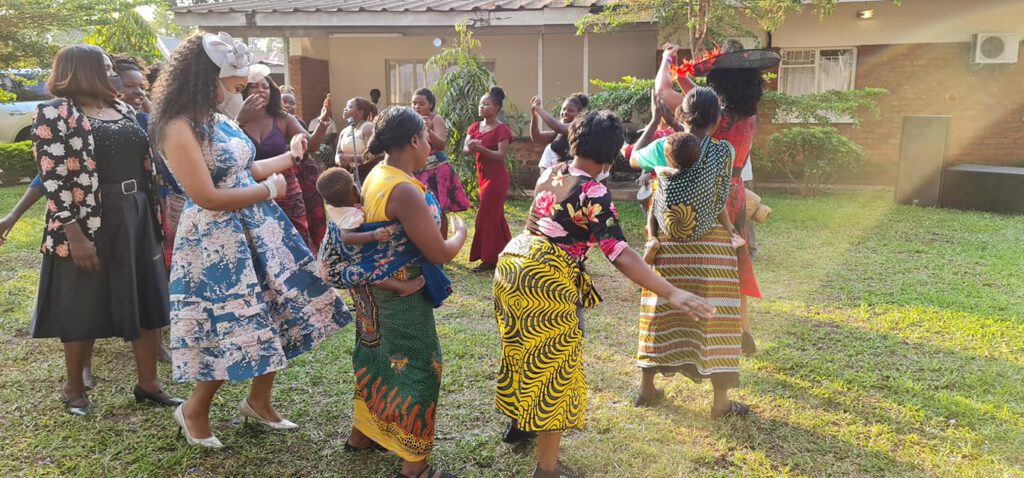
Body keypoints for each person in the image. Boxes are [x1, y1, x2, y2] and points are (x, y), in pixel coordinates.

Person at [151, 32, 351, 448]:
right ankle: (193, 410)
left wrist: (294, 155)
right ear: (208, 78)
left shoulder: (218, 120)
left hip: (257, 231)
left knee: (273, 315)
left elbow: (248, 168)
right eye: (236, 86)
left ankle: (259, 402)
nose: (239, 95)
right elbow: (206, 195)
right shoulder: (176, 127)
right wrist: (269, 192)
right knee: (230, 326)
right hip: (217, 244)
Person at [493, 110, 715, 478]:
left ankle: (520, 423)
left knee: (521, 350)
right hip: (546, 278)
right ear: (611, 157)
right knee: (554, 371)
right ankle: (547, 470)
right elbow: (619, 253)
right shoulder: (594, 190)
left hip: (512, 265)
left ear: (574, 141)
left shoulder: (551, 172)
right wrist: (670, 291)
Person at [28, 44, 182, 416]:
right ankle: (74, 388)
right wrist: (74, 235)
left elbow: (149, 164)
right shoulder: (54, 113)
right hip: (85, 221)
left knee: (147, 297)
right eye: (106, 67)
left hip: (136, 213)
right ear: (82, 70)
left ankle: (148, 384)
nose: (113, 74)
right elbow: (54, 178)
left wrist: (159, 209)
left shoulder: (123, 109)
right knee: (82, 303)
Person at [339, 107, 468, 478]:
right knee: (421, 371)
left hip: (372, 292)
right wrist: (460, 232)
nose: (430, 144)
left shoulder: (378, 174)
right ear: (413, 140)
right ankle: (415, 468)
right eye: (426, 137)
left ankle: (362, 435)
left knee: (373, 357)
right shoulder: (403, 190)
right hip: (401, 296)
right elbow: (438, 251)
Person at [630, 87, 749, 418]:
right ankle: (720, 403)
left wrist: (655, 119)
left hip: (668, 245)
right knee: (716, 317)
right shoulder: (723, 150)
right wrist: (732, 234)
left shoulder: (662, 147)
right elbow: (721, 197)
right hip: (711, 247)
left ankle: (646, 389)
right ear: (716, 120)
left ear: (682, 114)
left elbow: (633, 158)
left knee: (659, 311)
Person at [655, 43, 780, 356]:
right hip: (735, 191)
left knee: (704, 259)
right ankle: (742, 329)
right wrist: (685, 75)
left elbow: (663, 92)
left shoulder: (715, 117)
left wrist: (666, 62)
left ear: (720, 83)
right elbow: (694, 95)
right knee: (735, 261)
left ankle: (700, 329)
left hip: (706, 189)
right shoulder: (747, 117)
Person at [238, 66, 316, 251]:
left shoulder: (283, 119)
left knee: (296, 243)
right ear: (243, 92)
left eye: (264, 86)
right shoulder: (234, 122)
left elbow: (311, 145)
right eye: (253, 87)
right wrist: (239, 120)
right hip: (252, 192)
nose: (259, 91)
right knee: (263, 247)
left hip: (285, 190)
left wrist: (301, 139)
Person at [316, 167, 426, 296]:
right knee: (367, 269)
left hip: (328, 260)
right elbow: (346, 237)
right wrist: (373, 235)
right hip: (335, 273)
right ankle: (400, 287)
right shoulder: (349, 218)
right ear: (354, 190)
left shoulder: (336, 206)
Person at [640, 132, 743, 263]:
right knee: (717, 199)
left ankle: (652, 238)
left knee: (653, 207)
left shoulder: (664, 176)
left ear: (669, 160)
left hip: (670, 227)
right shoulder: (702, 178)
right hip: (697, 226)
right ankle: (732, 234)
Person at [463, 86, 513, 272]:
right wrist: (472, 147)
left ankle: (488, 259)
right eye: (480, 103)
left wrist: (480, 148)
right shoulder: (475, 127)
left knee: (486, 216)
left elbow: (500, 155)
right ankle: (506, 252)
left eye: (486, 104)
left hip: (497, 179)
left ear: (496, 107)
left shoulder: (502, 129)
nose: (481, 106)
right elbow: (465, 150)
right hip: (483, 178)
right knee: (496, 216)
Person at [410, 88, 470, 238]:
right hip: (416, 171)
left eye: (421, 103)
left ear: (430, 104)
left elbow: (441, 144)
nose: (417, 107)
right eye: (414, 103)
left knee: (438, 209)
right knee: (419, 210)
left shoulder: (436, 119)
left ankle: (442, 243)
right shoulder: (409, 121)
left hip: (436, 171)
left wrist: (427, 130)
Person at [530, 92, 588, 169]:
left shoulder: (580, 128)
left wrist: (538, 108)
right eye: (563, 109)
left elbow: (559, 127)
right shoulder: (559, 133)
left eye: (570, 110)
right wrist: (535, 115)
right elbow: (536, 137)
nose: (565, 113)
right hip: (559, 176)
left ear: (579, 114)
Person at [335, 97, 378, 182]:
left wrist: (351, 158)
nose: (345, 109)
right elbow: (338, 154)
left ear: (360, 112)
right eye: (346, 106)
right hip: (348, 175)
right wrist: (339, 159)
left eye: (350, 107)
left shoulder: (367, 128)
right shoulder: (344, 131)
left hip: (366, 175)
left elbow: (374, 155)